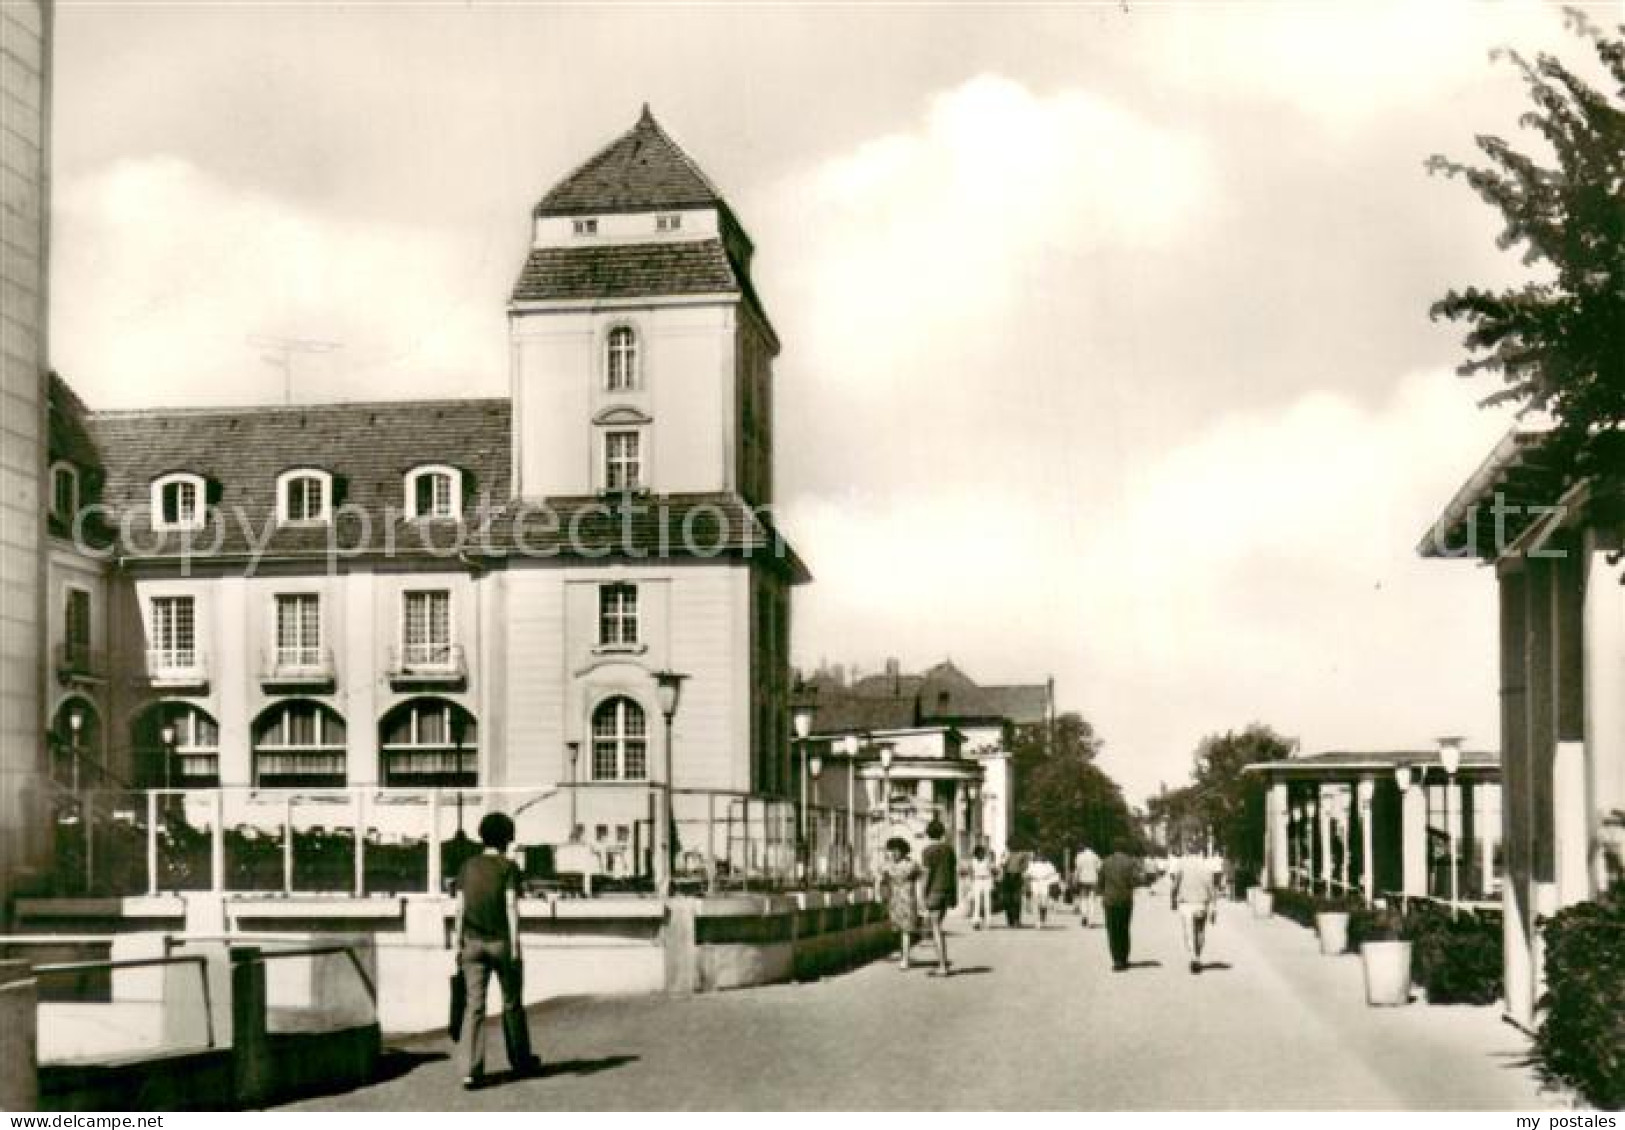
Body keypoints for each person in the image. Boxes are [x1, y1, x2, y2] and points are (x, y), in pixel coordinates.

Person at [451, 811, 537, 1088]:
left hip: (472, 944)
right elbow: (511, 906)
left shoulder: (467, 866)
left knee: (474, 1007)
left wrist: (457, 942)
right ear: (506, 838)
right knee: (512, 1003)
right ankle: (521, 1060)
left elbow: (460, 909)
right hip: (501, 942)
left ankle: (471, 1071)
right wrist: (516, 945)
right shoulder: (508, 867)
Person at [919, 820, 957, 976]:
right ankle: (942, 963)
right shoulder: (949, 850)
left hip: (934, 891)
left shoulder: (927, 851)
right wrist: (955, 894)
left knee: (936, 928)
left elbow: (926, 875)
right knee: (938, 926)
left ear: (928, 833)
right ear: (942, 833)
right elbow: (953, 872)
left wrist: (922, 895)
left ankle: (942, 965)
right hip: (947, 890)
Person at [1098, 837, 1143, 971]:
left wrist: (1102, 892)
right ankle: (1123, 958)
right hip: (1124, 900)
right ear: (1124, 848)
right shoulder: (1130, 863)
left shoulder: (1105, 862)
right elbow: (1135, 881)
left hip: (1110, 900)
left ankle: (1116, 959)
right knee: (1124, 929)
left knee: (1112, 930)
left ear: (1113, 848)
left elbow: (1100, 881)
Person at [1171, 853, 1219, 974]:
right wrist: (1214, 906)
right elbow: (1211, 887)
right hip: (1201, 903)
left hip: (1186, 903)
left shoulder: (1182, 864)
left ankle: (1193, 957)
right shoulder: (1206, 865)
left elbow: (1175, 884)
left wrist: (1173, 898)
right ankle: (1197, 957)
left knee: (1188, 932)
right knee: (1200, 931)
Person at [880, 837, 923, 969]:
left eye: (896, 850)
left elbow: (919, 882)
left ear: (903, 851)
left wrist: (921, 901)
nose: (893, 853)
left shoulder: (912, 865)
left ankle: (905, 959)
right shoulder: (887, 865)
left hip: (908, 899)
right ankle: (904, 955)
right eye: (891, 850)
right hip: (894, 900)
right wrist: (882, 896)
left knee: (906, 930)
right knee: (897, 930)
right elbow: (882, 881)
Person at [1026, 853, 1060, 928]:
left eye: (1041, 856)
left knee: (1043, 903)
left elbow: (1054, 874)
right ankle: (1038, 921)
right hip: (1035, 884)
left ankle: (1042, 919)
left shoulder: (1048, 864)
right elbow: (1028, 874)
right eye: (1038, 856)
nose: (1039, 858)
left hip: (1044, 884)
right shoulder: (1032, 864)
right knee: (1037, 902)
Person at [1073, 843, 1102, 927]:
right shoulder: (1095, 855)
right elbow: (1100, 868)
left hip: (1083, 880)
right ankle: (1091, 920)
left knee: (1084, 899)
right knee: (1092, 900)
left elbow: (1077, 869)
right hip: (1093, 880)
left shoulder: (1079, 857)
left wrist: (1075, 880)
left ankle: (1084, 916)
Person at [968, 844, 995, 930]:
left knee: (987, 901)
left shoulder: (987, 860)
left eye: (983, 852)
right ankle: (976, 921)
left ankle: (988, 921)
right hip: (977, 880)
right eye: (980, 852)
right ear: (976, 853)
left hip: (986, 880)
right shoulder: (973, 861)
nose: (981, 854)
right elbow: (971, 872)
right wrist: (972, 883)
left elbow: (992, 871)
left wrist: (992, 882)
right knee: (977, 901)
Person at [1000, 848, 1029, 928]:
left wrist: (1019, 870)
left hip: (1017, 877)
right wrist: (1005, 859)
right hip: (1007, 877)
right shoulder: (1006, 853)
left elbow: (1026, 866)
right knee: (1007, 900)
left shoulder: (1023, 853)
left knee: (1017, 899)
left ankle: (1017, 920)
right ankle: (1010, 921)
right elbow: (1002, 864)